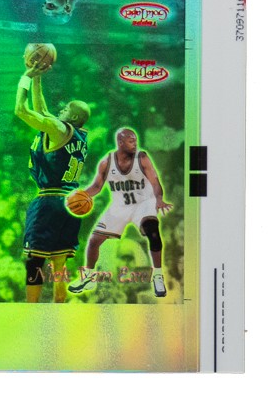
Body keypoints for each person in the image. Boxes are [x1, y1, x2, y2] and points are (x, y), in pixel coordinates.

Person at [15, 47, 93, 302]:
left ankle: (32, 309)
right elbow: (43, 111)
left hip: (49, 200)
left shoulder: (58, 129)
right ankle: (60, 309)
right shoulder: (77, 135)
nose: (60, 109)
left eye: (66, 108)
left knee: (35, 261)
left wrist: (26, 77)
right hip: (70, 203)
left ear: (73, 116)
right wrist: (39, 76)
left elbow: (22, 110)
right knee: (59, 265)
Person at [72, 126, 172, 298]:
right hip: (119, 206)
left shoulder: (142, 158)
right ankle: (89, 277)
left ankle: (157, 276)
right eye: (131, 141)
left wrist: (159, 198)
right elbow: (97, 186)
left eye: (135, 140)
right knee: (94, 241)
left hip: (143, 204)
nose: (135, 144)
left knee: (153, 232)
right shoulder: (107, 162)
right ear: (120, 142)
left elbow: (155, 182)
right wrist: (82, 195)